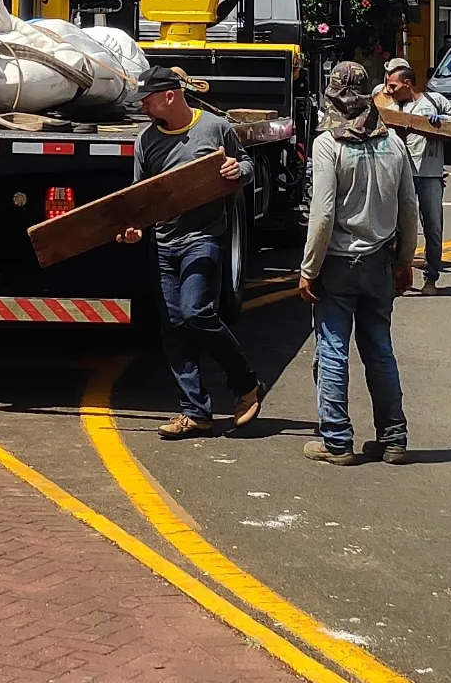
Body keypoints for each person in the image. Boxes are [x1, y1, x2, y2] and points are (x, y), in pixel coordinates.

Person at [121, 66, 264, 440]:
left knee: (196, 312)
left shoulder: (215, 128)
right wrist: (136, 228)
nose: (143, 108)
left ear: (169, 96)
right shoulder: (146, 141)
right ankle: (195, 412)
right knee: (174, 328)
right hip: (164, 244)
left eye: (148, 100)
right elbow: (140, 197)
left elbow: (247, 165)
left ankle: (246, 382)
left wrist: (237, 170)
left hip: (203, 237)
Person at [299, 60, 418, 465]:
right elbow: (408, 209)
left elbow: (323, 215)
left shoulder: (327, 145)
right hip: (380, 261)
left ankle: (337, 441)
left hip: (337, 264)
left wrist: (308, 270)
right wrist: (405, 261)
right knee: (380, 349)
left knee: (333, 349)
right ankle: (394, 439)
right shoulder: (394, 143)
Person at [381, 56, 451, 295]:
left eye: (393, 85)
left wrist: (443, 120)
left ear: (407, 83)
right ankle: (397, 277)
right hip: (401, 175)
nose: (390, 90)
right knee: (397, 228)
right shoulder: (391, 108)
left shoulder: (434, 100)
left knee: (433, 227)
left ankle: (431, 278)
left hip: (430, 175)